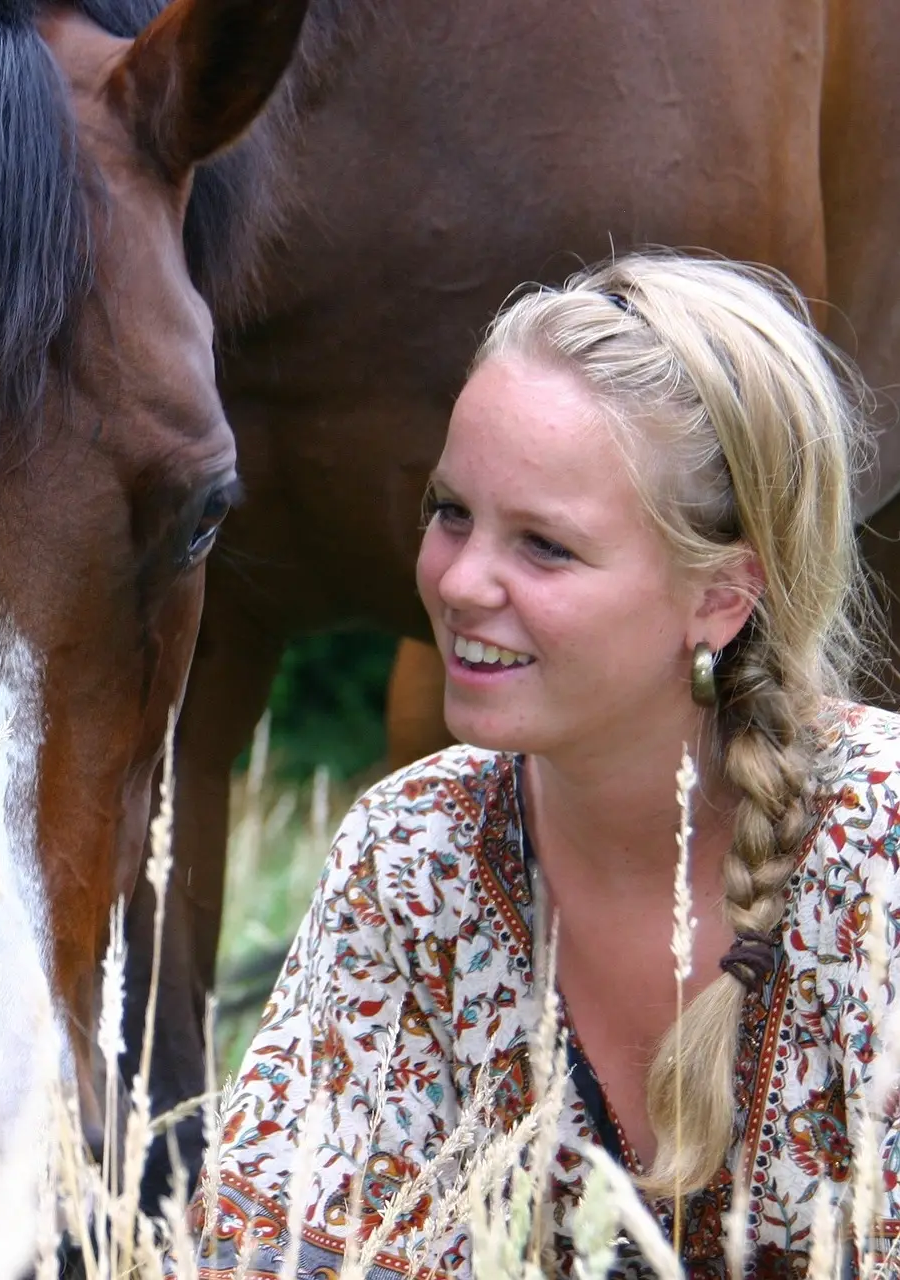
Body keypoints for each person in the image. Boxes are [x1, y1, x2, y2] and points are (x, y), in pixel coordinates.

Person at [193, 251, 900, 1279]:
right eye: (451, 512)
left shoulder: (879, 852)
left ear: (721, 595)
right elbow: (272, 1245)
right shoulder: (413, 858)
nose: (462, 580)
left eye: (545, 547)